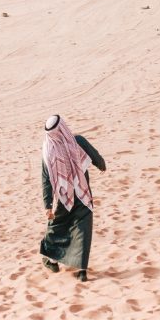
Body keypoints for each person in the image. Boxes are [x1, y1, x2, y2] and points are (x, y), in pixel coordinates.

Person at [39, 115, 106, 283]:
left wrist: (48, 204)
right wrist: (101, 164)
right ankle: (82, 271)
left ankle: (52, 261)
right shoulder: (77, 141)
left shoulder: (48, 152)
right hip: (83, 193)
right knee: (83, 229)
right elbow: (95, 156)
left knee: (58, 226)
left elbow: (46, 179)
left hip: (63, 198)